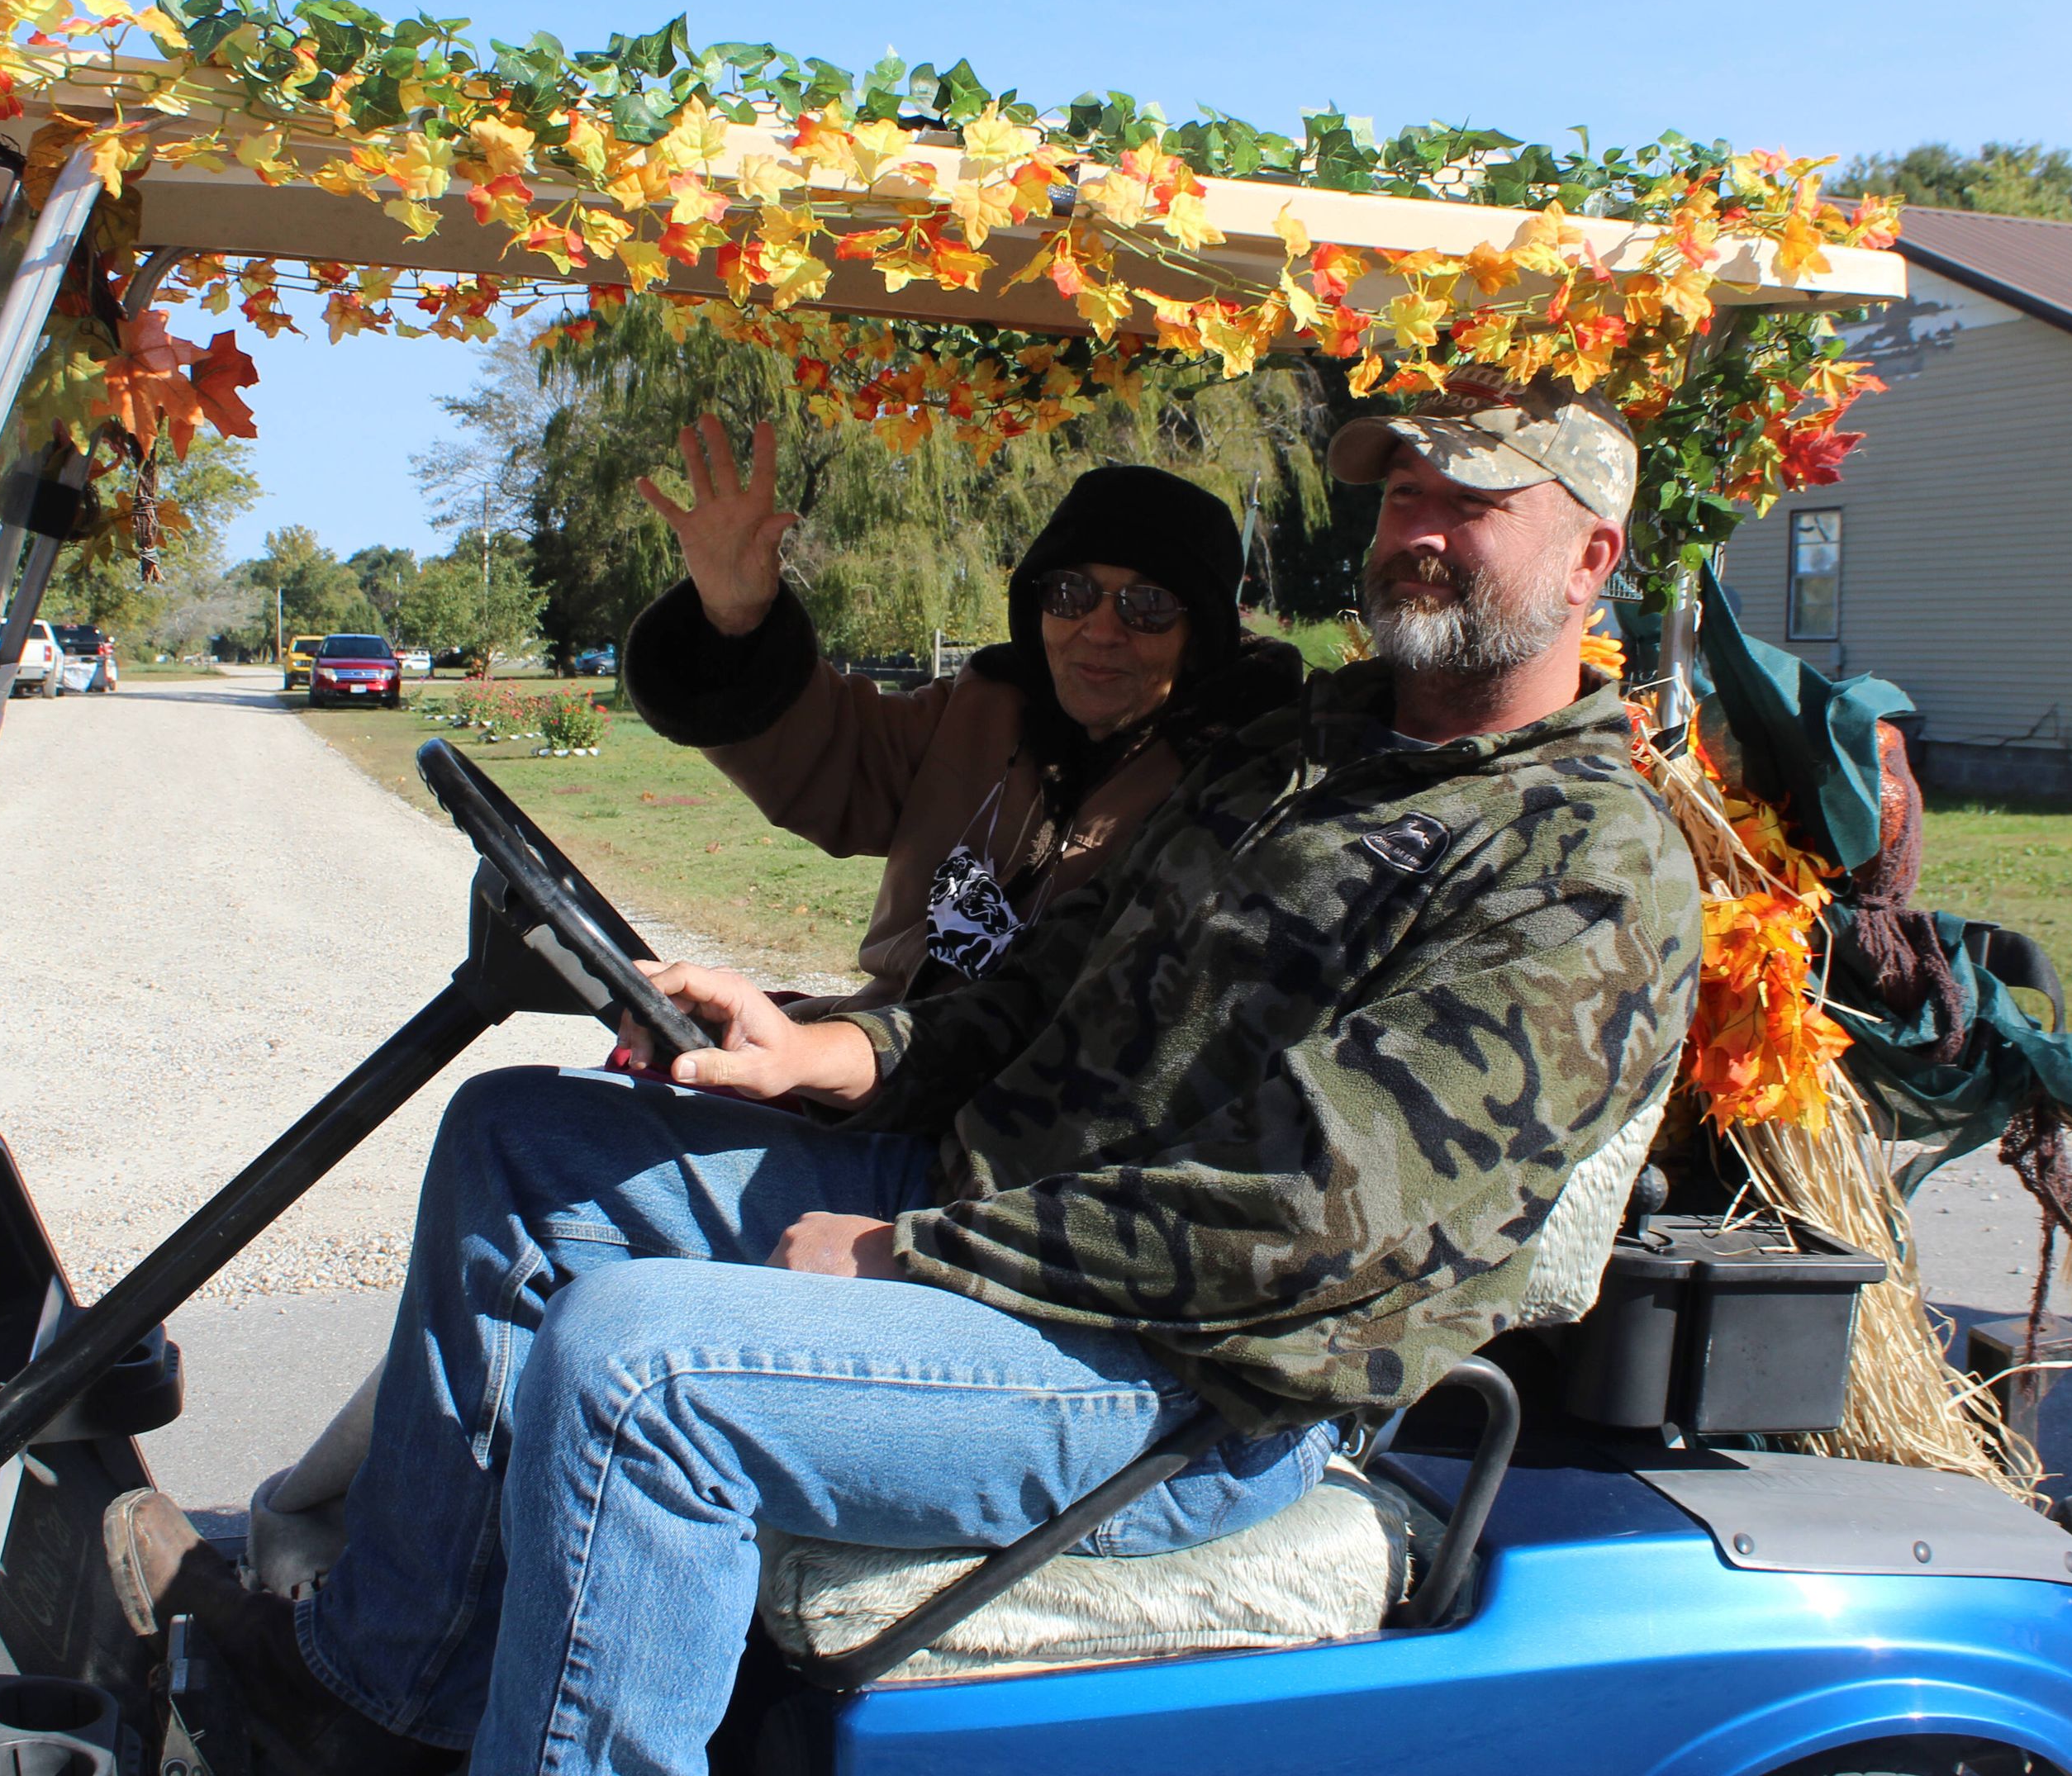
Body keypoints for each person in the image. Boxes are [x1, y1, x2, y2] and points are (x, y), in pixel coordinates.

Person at [107, 378, 1703, 1776]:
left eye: (1477, 502)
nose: (1422, 526)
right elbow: (1045, 989)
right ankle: (388, 1696)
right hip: (994, 1219)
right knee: (524, 1139)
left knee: (639, 1364)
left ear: (1589, 559)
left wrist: (912, 1255)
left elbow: (1317, 1217)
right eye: (1406, 491)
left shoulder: (1577, 866)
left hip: (1183, 1382)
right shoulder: (1298, 755)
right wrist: (843, 1052)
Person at [620, 416, 1303, 1004]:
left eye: (1147, 605)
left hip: (1024, 1122)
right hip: (877, 1055)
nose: (1100, 629)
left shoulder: (1242, 781)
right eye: (1070, 593)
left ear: (1200, 637)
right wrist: (738, 619)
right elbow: (835, 757)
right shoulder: (985, 710)